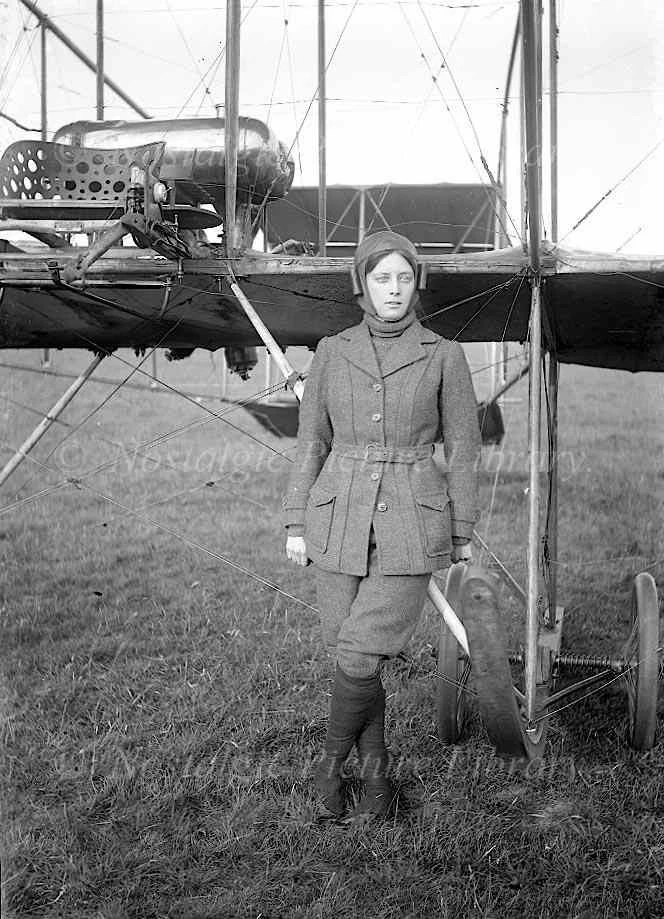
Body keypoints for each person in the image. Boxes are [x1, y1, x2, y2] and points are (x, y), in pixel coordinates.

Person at [282, 230, 481, 817]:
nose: (393, 289)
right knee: (352, 656)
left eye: (403, 277)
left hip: (413, 525)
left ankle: (328, 769)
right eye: (381, 277)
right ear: (362, 284)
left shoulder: (444, 355)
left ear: (418, 283)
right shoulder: (331, 351)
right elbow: (311, 443)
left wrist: (460, 530)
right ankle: (376, 781)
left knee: (359, 653)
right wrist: (296, 521)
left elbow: (464, 451)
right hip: (335, 519)